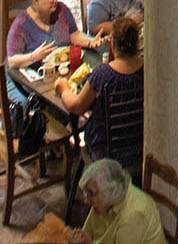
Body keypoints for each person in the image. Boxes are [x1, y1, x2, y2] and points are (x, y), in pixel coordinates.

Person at [55, 18, 144, 167]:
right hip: (140, 146)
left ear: (112, 43)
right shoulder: (148, 68)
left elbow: (77, 106)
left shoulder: (103, 75)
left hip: (108, 153)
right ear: (138, 43)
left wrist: (63, 88)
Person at [6, 0, 105, 104]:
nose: (55, 0)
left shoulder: (61, 10)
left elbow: (74, 35)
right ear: (36, 1)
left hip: (58, 74)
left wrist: (90, 41)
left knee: (83, 92)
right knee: (34, 105)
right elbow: (12, 61)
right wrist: (34, 56)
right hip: (26, 80)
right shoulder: (21, 24)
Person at [66, 155, 163, 244]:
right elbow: (87, 232)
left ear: (111, 193)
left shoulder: (134, 214)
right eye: (86, 193)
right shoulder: (103, 202)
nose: (86, 200)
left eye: (90, 193)